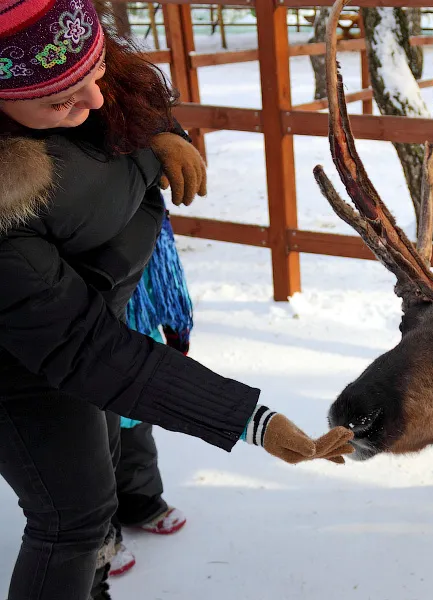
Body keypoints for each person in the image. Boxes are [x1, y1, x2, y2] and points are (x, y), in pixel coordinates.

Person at [0, 1, 354, 599]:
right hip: (30, 367)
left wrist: (161, 132)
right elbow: (83, 348)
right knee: (72, 521)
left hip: (108, 317)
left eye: (96, 72)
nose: (92, 102)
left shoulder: (80, 90)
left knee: (103, 487)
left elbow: (128, 107)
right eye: (61, 100)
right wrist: (250, 420)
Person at [109, 211, 196, 577]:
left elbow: (162, 253)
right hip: (76, 334)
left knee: (136, 425)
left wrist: (175, 319)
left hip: (135, 330)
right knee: (87, 442)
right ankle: (95, 535)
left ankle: (140, 501)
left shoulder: (141, 185)